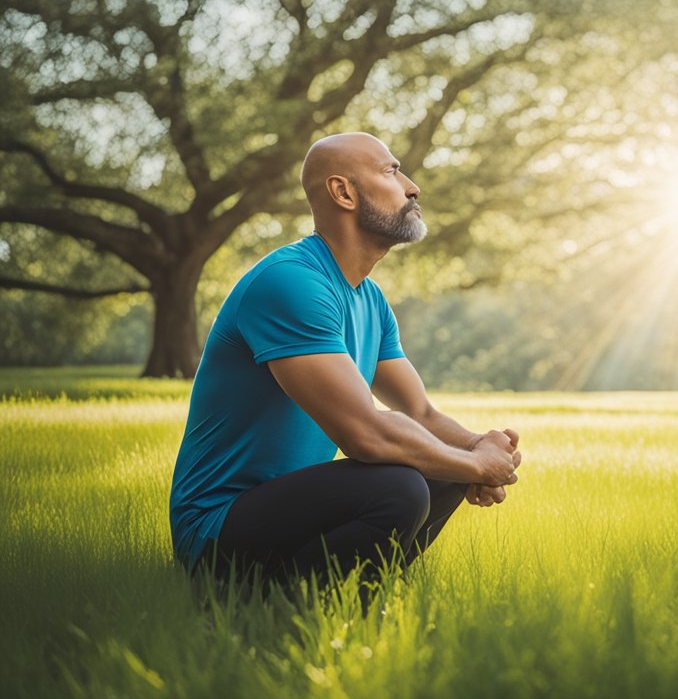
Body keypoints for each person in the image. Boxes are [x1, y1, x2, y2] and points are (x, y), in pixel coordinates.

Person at [169, 132, 521, 584]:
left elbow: (419, 412)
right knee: (400, 486)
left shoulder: (369, 300)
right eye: (392, 171)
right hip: (217, 532)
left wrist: (478, 448)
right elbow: (366, 435)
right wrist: (476, 465)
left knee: (441, 466)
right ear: (343, 192)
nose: (412, 187)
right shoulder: (290, 284)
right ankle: (288, 606)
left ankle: (348, 602)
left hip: (291, 512)